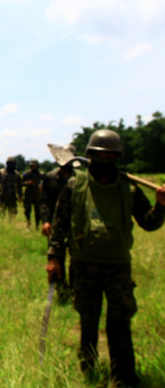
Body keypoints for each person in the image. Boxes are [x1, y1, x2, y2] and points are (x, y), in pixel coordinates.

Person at [46, 129, 165, 387]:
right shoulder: (75, 185)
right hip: (84, 265)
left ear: (118, 157)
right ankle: (88, 370)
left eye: (111, 155)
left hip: (118, 268)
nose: (105, 159)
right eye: (100, 155)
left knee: (119, 323)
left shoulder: (128, 189)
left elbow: (148, 223)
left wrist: (161, 205)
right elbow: (59, 225)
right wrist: (53, 258)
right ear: (90, 155)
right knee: (88, 321)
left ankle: (123, 376)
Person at [40, 145, 77, 302]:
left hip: (76, 224)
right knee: (56, 257)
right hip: (56, 224)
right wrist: (46, 221)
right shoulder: (50, 177)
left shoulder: (82, 178)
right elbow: (44, 202)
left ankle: (75, 291)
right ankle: (62, 292)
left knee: (77, 259)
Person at [22, 159, 43, 230]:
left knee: (38, 211)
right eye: (32, 165)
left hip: (37, 194)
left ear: (37, 166)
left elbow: (45, 183)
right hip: (28, 194)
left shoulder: (41, 174)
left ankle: (37, 225)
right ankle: (28, 223)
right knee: (27, 210)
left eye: (35, 165)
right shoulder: (26, 173)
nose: (33, 167)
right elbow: (21, 183)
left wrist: (40, 187)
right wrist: (28, 183)